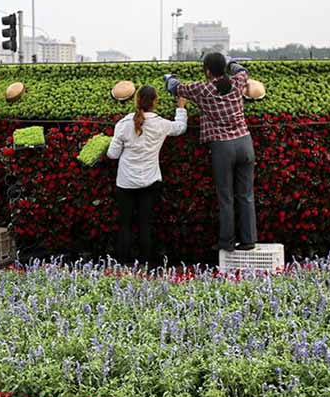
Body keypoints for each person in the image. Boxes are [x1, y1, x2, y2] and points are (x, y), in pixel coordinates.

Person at [165, 52, 257, 252]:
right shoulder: (237, 82)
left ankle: (227, 242)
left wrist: (168, 77)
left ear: (207, 70)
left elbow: (174, 87)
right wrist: (230, 62)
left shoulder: (202, 88)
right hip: (244, 142)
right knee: (246, 194)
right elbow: (242, 70)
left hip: (222, 147)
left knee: (226, 197)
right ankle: (249, 240)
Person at [107, 86, 188, 266]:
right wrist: (181, 107)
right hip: (150, 182)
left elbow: (112, 154)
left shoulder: (123, 124)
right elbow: (180, 128)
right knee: (145, 224)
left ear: (136, 100)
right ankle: (146, 265)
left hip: (125, 183)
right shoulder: (161, 124)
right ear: (155, 102)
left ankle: (123, 264)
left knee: (125, 225)